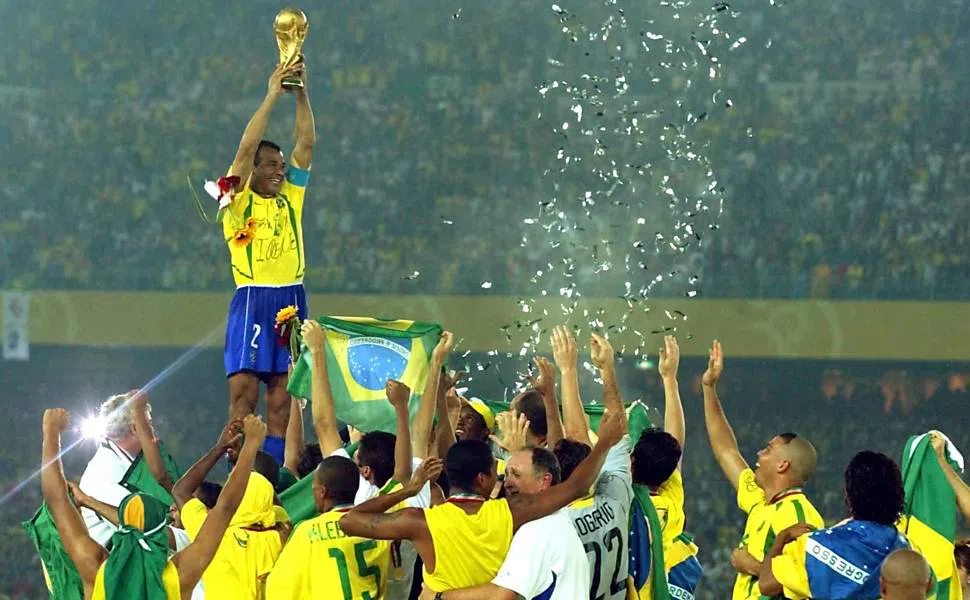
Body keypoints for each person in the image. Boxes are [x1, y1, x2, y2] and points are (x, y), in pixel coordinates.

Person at [338, 405, 628, 596]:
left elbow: (348, 521)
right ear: (483, 479)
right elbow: (577, 486)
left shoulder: (419, 522)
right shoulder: (512, 512)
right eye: (497, 470)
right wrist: (605, 442)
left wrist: (409, 491)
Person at [41, 409, 264, 599]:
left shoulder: (96, 568)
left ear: (122, 529)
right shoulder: (177, 575)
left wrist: (51, 431)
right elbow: (224, 509)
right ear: (160, 534)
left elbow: (57, 500)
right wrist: (251, 445)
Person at [301, 318, 443, 598]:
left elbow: (324, 424)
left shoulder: (357, 503)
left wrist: (317, 353)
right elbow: (421, 433)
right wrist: (435, 364)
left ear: (365, 472)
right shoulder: (417, 496)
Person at [222, 57, 317, 466]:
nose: (280, 172)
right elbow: (244, 150)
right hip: (252, 299)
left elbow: (307, 145)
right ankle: (238, 477)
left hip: (291, 301)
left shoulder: (290, 200)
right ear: (254, 171)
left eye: (281, 166)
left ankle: (274, 475)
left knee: (283, 402)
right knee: (244, 399)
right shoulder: (235, 200)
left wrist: (302, 95)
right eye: (272, 166)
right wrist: (271, 95)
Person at [699, 340, 824, 600]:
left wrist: (751, 566)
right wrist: (708, 388)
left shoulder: (799, 515)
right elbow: (726, 451)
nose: (758, 454)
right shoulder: (760, 500)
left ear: (782, 465)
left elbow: (805, 585)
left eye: (768, 450)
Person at [266, 455, 441, 599]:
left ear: (322, 492)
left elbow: (280, 590)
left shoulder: (307, 531)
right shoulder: (381, 527)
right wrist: (410, 489)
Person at [439, 446, 590, 600]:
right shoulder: (557, 517)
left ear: (544, 482)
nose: (507, 483)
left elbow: (500, 596)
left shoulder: (535, 529)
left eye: (516, 475)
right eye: (506, 475)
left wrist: (439, 596)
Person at [760, 451, 913, 599]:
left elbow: (767, 585)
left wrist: (782, 537)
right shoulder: (908, 552)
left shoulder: (813, 548)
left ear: (848, 493)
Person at [171, 423, 291, 600]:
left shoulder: (213, 534)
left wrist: (220, 449)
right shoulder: (282, 533)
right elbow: (268, 496)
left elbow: (180, 491)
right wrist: (247, 459)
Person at [629, 336, 703, 598]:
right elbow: (676, 439)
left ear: (632, 463)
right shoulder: (672, 496)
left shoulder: (625, 503)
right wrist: (670, 379)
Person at [78, 391, 172, 546]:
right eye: (149, 423)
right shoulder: (102, 476)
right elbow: (143, 527)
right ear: (135, 429)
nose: (153, 429)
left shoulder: (137, 460)